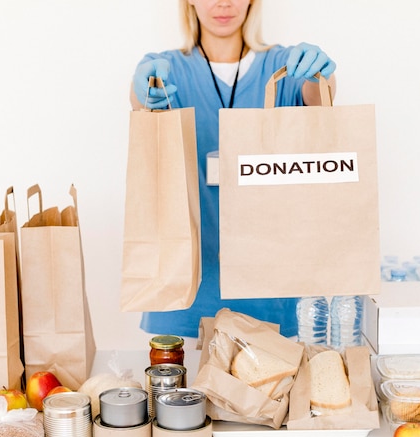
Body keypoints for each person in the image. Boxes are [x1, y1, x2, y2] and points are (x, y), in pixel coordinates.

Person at [130, 0, 337, 339]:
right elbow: (139, 99)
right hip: (184, 297)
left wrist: (321, 74)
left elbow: (319, 99)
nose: (223, 3)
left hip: (270, 298)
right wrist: (142, 89)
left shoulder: (283, 67)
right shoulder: (166, 68)